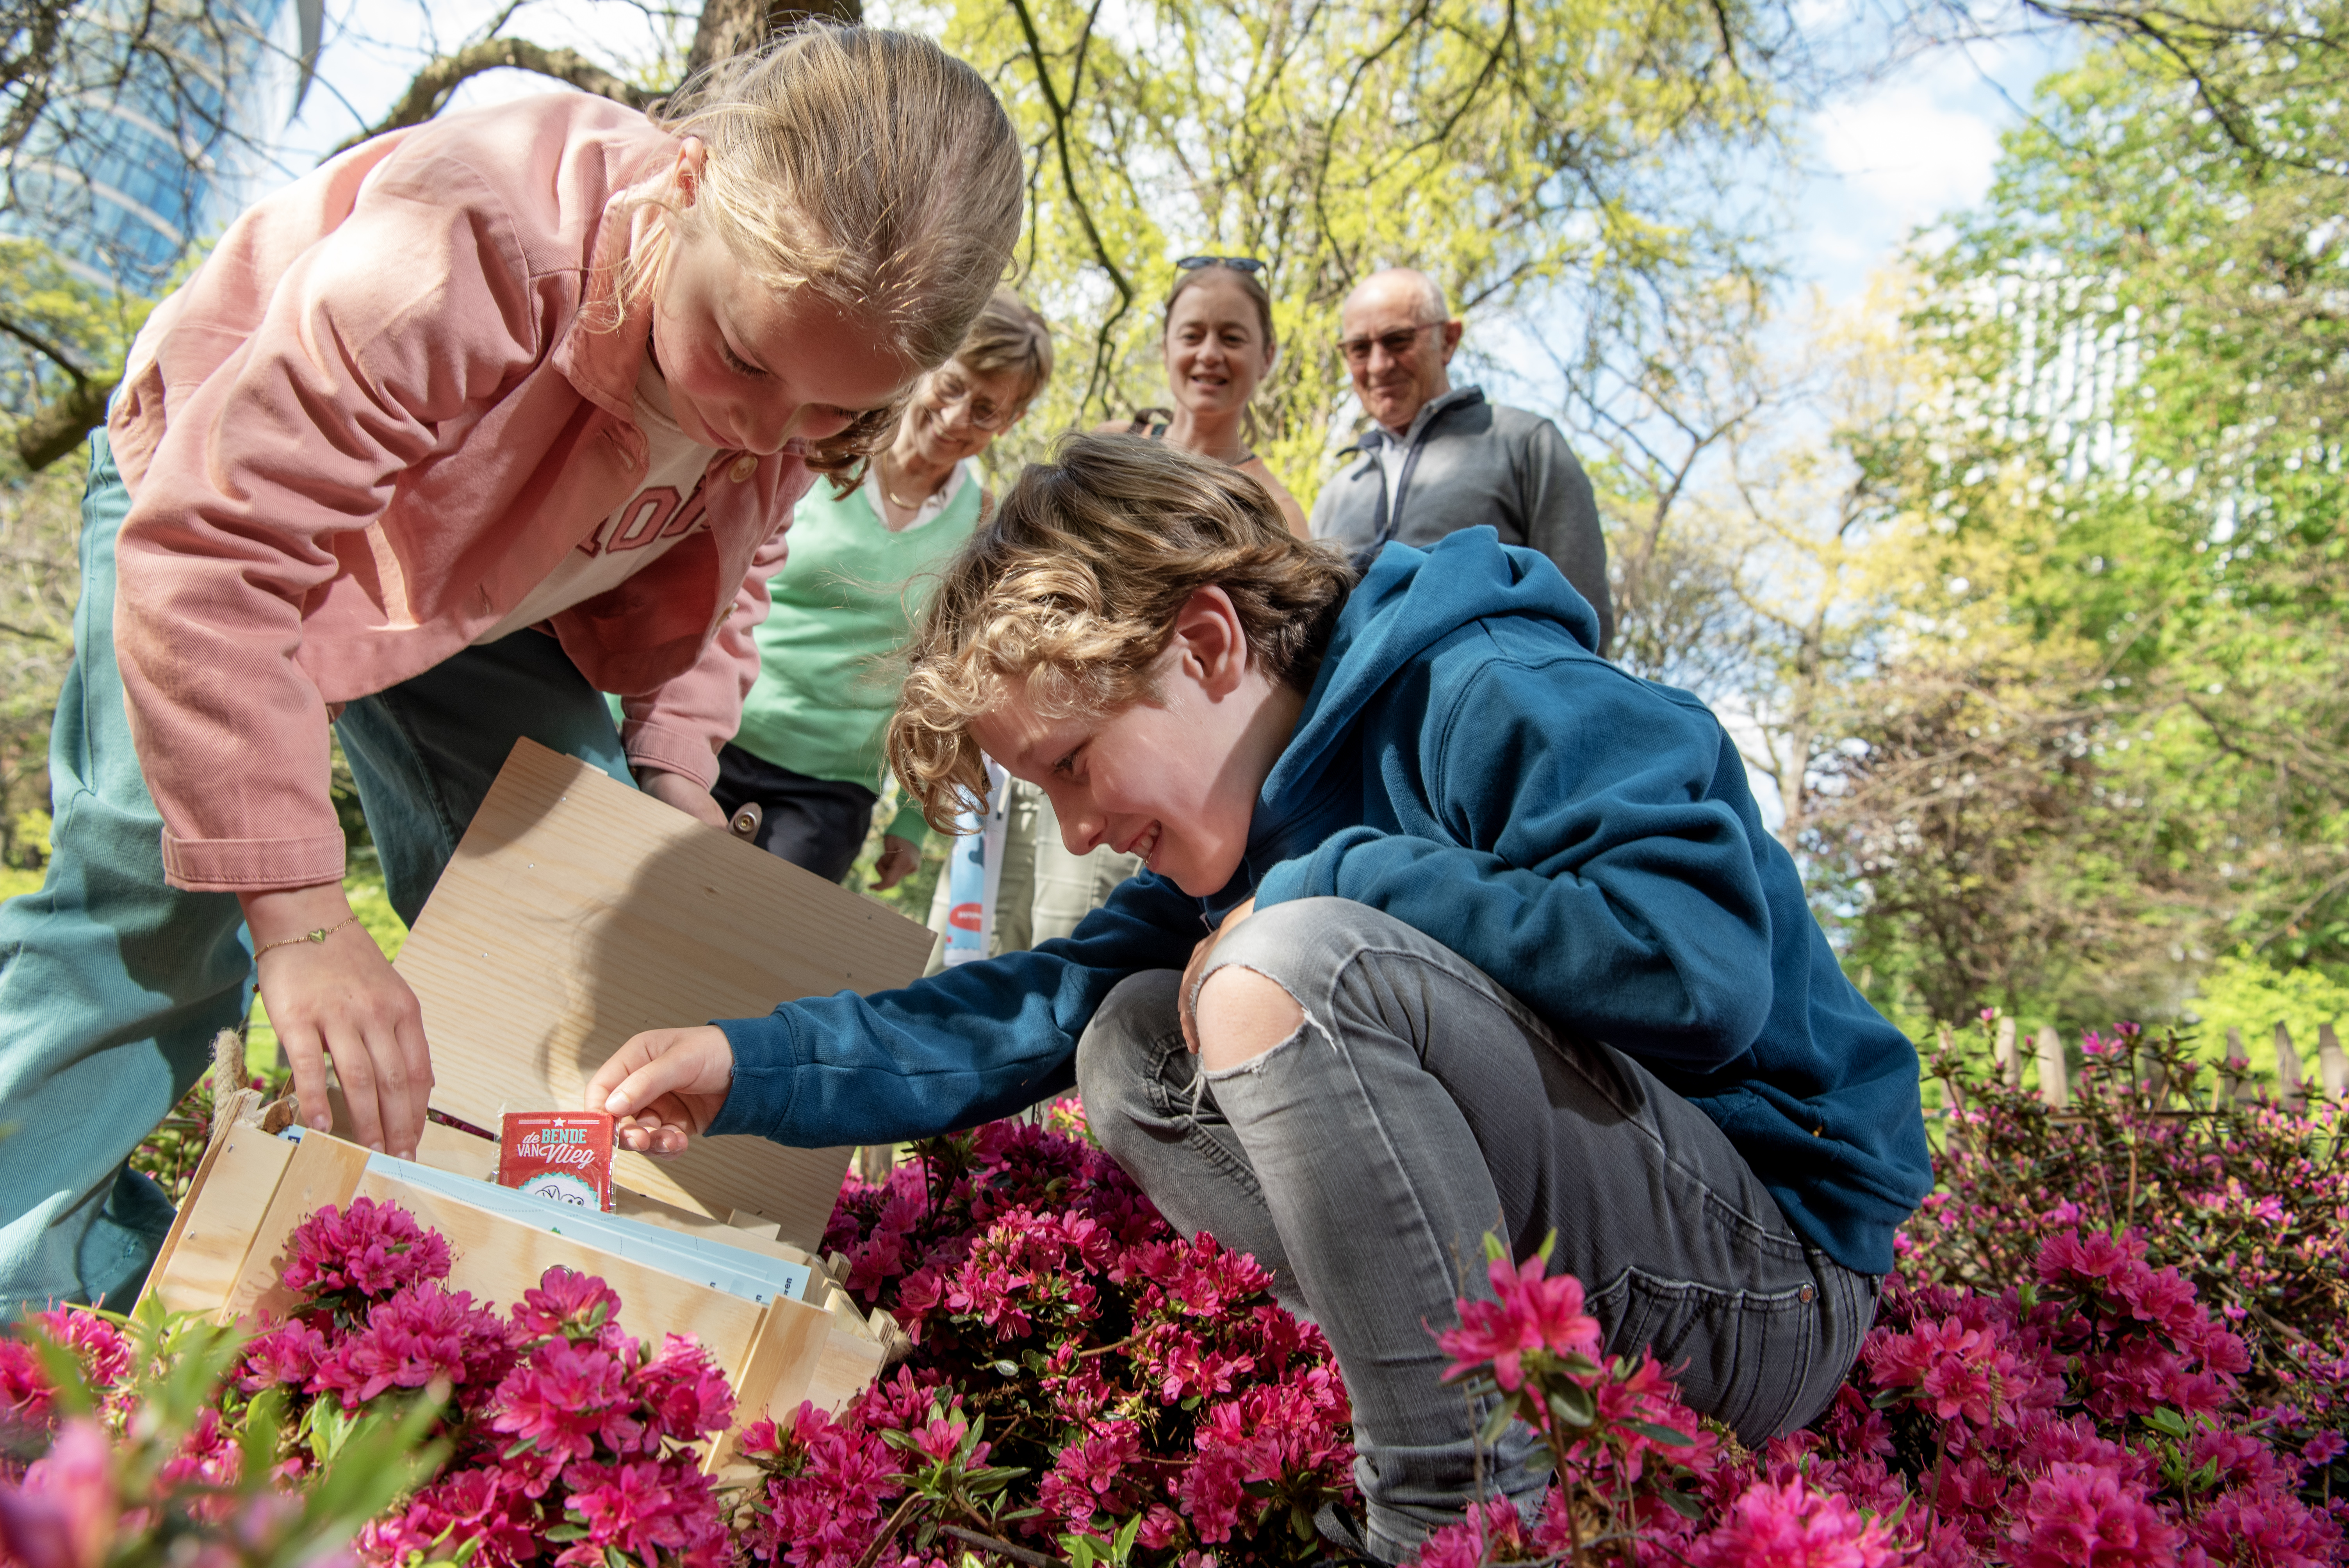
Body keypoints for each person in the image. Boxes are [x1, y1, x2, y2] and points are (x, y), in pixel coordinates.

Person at [587, 434, 1933, 1561]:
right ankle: (1455, 1424)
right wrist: (744, 1061)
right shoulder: (1233, 831)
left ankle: (1457, 1517)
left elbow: (1696, 968)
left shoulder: (1493, 693)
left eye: (1071, 763)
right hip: (1575, 1301)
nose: (1078, 824)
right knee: (1125, 1036)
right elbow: (1026, 1004)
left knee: (1287, 963)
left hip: (1761, 1281)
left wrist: (1351, 875)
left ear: (1211, 642)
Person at [0, 25, 1024, 1316]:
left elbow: (735, 565)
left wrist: (672, 773)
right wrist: (307, 918)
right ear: (693, 179)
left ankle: (490, 1253)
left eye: (830, 415)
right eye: (747, 361)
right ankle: (23, 1294)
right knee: (152, 898)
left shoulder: (792, 377)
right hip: (215, 509)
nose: (766, 431)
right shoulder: (475, 240)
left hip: (484, 589)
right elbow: (218, 551)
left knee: (587, 871)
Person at [715, 289, 1052, 888]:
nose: (955, 420)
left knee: (749, 967)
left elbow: (952, 678)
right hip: (709, 732)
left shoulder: (980, 527)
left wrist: (916, 823)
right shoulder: (821, 448)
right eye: (952, 387)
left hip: (827, 793)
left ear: (1011, 422)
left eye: (985, 410)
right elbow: (707, 580)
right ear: (923, 368)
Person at [1311, 266, 1616, 655]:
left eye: (1398, 340)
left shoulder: (1524, 442)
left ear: (1448, 339)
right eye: (1359, 349)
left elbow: (1585, 611)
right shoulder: (1335, 495)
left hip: (1496, 706)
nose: (1378, 365)